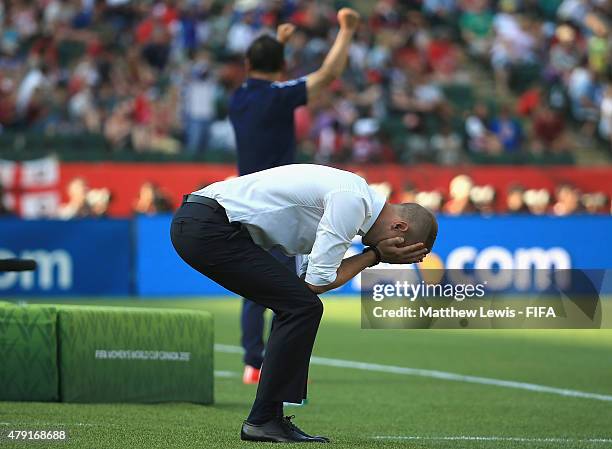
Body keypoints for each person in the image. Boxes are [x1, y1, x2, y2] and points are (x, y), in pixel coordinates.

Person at [170, 164, 437, 443]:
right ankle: (263, 420)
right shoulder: (352, 201)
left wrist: (374, 254)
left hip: (205, 222)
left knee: (297, 304)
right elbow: (316, 284)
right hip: (208, 227)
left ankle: (267, 418)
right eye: (403, 251)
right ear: (399, 227)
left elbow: (307, 280)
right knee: (301, 307)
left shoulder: (354, 203)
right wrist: (375, 256)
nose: (398, 258)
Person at [230, 8, 361, 384]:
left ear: (247, 62)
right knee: (289, 289)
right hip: (279, 206)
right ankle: (277, 365)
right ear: (282, 65)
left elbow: (264, 68)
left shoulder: (239, 98)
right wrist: (347, 32)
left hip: (243, 201)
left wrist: (278, 42)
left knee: (253, 289)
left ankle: (253, 362)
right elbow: (329, 75)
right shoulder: (278, 97)